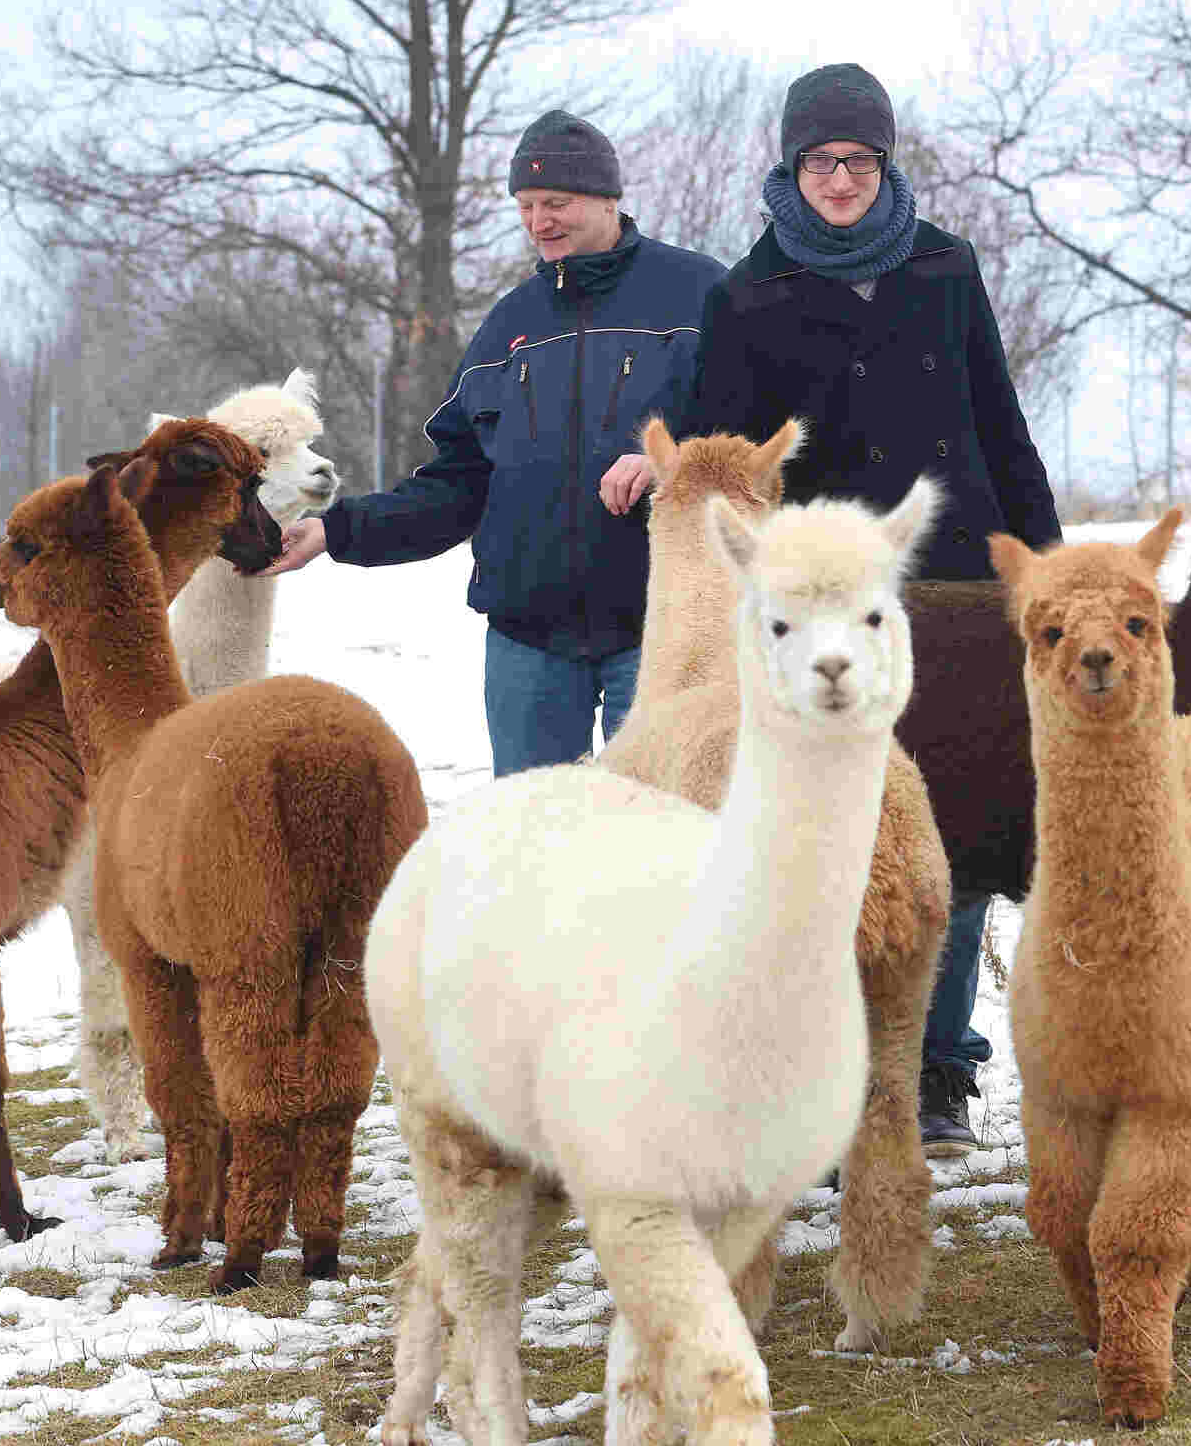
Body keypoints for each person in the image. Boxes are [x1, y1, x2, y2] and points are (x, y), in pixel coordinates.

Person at [681, 62, 1062, 1159]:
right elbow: (729, 464)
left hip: (959, 586)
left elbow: (999, 416)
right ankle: (833, 1069)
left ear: (885, 164)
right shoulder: (744, 295)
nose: (840, 178)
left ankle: (941, 1069)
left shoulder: (946, 266)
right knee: (835, 832)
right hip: (831, 605)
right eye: (820, 160)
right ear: (790, 167)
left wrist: (1037, 566)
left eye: (858, 159)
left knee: (959, 829)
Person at [265, 110, 726, 776]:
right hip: (528, 642)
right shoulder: (507, 325)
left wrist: (676, 463)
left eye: (557, 203)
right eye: (527, 205)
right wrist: (337, 530)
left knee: (662, 839)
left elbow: (757, 435)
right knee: (530, 854)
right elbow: (456, 484)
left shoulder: (698, 293)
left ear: (608, 197)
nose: (540, 221)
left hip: (666, 629)